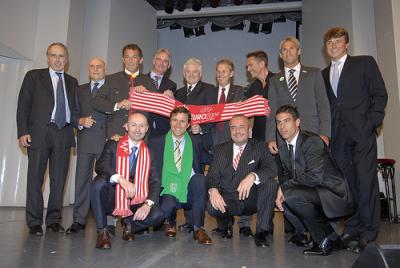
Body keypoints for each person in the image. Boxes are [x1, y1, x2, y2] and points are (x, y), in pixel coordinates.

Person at [321, 27, 388, 252]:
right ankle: (352, 228)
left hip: (361, 134)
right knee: (347, 185)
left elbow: (380, 94)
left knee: (365, 182)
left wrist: (370, 124)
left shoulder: (364, 63)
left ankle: (369, 233)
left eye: (337, 41)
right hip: (338, 138)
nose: (333, 45)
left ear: (346, 44)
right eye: (329, 42)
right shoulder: (323, 74)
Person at [17, 42, 79, 235]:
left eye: (61, 56)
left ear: (67, 59)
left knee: (59, 181)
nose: (58, 60)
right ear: (48, 57)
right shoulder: (34, 76)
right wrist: (23, 131)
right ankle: (34, 222)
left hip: (64, 133)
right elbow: (23, 106)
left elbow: (75, 109)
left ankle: (53, 220)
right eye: (54, 55)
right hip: (40, 134)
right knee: (35, 179)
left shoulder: (72, 81)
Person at [274, 105, 354, 256]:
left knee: (291, 194)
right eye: (278, 122)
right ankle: (306, 234)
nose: (282, 126)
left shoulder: (312, 141)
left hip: (332, 193)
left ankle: (325, 239)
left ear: (297, 122)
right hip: (313, 192)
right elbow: (286, 175)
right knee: (282, 196)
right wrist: (281, 187)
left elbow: (315, 176)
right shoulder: (284, 148)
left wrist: (284, 188)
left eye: (286, 121)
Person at [90, 112, 164, 249]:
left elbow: (155, 181)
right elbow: (100, 165)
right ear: (126, 126)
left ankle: (129, 224)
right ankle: (102, 232)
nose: (138, 129)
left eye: (142, 126)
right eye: (134, 125)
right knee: (98, 183)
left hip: (136, 198)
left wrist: (147, 205)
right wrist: (121, 179)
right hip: (113, 197)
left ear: (147, 129)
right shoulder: (113, 144)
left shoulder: (149, 152)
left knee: (158, 215)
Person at [207, 115, 278, 247]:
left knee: (270, 183)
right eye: (233, 127)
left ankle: (261, 232)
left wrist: (253, 176)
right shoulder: (220, 149)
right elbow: (212, 175)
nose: (237, 131)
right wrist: (213, 190)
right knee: (212, 205)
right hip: (228, 197)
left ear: (249, 130)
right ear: (229, 131)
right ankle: (226, 225)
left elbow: (272, 169)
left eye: (241, 127)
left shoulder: (260, 147)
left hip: (251, 199)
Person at [150, 107, 212, 245]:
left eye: (182, 121)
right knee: (166, 208)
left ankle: (198, 228)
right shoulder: (156, 142)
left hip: (188, 189)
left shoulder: (196, 142)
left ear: (189, 124)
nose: (178, 125)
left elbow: (210, 157)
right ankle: (170, 222)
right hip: (166, 190)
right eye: (175, 120)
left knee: (200, 179)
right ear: (170, 121)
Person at [266, 36, 331, 155]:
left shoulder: (314, 73)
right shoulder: (274, 80)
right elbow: (271, 111)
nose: (288, 52)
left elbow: (323, 106)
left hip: (313, 134)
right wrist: (271, 138)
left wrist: (325, 133)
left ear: (299, 51)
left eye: (292, 48)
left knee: (314, 172)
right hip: (285, 138)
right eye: (284, 50)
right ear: (280, 54)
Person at [174, 58, 218, 231]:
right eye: (188, 72)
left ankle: (197, 223)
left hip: (199, 145)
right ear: (184, 74)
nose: (191, 75)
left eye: (195, 72)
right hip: (179, 145)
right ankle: (188, 220)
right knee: (183, 181)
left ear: (200, 74)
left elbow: (214, 114)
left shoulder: (209, 90)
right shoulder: (178, 93)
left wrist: (202, 128)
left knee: (197, 183)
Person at [66, 58, 108, 233]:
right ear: (88, 69)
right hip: (85, 140)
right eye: (92, 66)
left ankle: (107, 221)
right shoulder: (80, 89)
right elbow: (72, 114)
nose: (95, 69)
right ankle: (79, 219)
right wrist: (80, 121)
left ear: (104, 69)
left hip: (106, 141)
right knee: (81, 181)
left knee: (106, 182)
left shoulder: (111, 88)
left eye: (99, 66)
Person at [92, 43, 156, 139]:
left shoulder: (149, 82)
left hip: (141, 136)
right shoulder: (111, 79)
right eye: (127, 57)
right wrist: (116, 105)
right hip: (116, 135)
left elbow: (156, 108)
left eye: (134, 57)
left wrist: (147, 94)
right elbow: (96, 102)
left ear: (141, 60)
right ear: (123, 60)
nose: (130, 60)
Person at [147, 48, 177, 139]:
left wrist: (172, 101)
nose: (161, 63)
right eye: (159, 59)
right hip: (142, 130)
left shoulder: (172, 85)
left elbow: (174, 111)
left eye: (165, 61)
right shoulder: (140, 80)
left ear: (169, 65)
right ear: (153, 61)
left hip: (163, 133)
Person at [244, 50, 274, 142]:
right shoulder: (252, 88)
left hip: (276, 136)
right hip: (259, 138)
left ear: (261, 64)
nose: (248, 69)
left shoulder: (278, 82)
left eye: (250, 65)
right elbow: (246, 112)